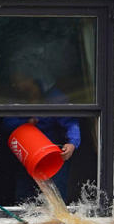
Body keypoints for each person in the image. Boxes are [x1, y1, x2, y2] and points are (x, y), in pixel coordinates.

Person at [5, 71, 80, 201]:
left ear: (32, 79)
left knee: (56, 199)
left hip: (54, 156)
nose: (17, 85)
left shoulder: (55, 98)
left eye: (20, 81)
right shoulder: (17, 98)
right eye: (15, 82)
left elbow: (71, 123)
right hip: (27, 155)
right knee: (24, 199)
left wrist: (72, 143)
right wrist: (25, 123)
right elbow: (7, 123)